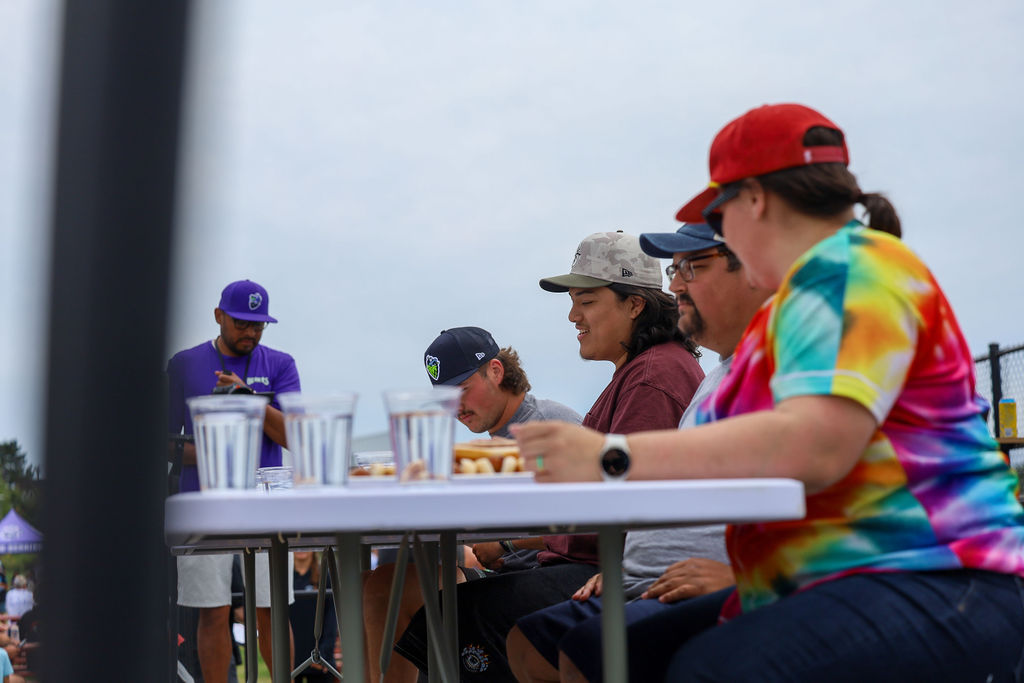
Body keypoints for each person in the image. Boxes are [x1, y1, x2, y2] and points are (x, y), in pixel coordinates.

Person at [512, 103, 1024, 681]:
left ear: (753, 200)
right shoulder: (795, 307)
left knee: (708, 669)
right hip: (842, 575)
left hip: (940, 572)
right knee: (607, 653)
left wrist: (610, 457)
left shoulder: (852, 270)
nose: (719, 235)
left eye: (720, 217)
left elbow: (814, 447)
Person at [393, 231, 705, 681]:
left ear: (634, 304)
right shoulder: (640, 370)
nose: (573, 315)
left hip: (601, 567)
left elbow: (631, 491)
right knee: (438, 608)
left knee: (456, 616)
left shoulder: (652, 375)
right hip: (582, 560)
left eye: (587, 301)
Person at [506, 223, 773, 683]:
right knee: (532, 643)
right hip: (637, 574)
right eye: (674, 269)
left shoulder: (665, 373)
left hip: (682, 580)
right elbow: (688, 477)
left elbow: (804, 483)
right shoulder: (715, 376)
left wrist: (749, 579)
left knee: (571, 647)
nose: (675, 284)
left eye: (693, 267)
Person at [363, 326, 583, 683]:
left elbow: (586, 523)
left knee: (394, 586)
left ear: (496, 371)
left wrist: (506, 542)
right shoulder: (495, 440)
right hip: (507, 572)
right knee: (377, 583)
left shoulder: (547, 428)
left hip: (552, 576)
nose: (456, 408)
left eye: (462, 391)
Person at [167, 279, 299, 683]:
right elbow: (165, 443)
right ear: (219, 316)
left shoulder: (279, 364)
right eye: (242, 323)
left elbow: (295, 437)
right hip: (205, 503)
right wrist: (222, 452)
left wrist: (249, 401)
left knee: (271, 610)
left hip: (267, 502)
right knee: (213, 610)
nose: (251, 333)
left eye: (259, 325)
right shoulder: (185, 364)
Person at [289, 551, 339, 682]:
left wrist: (323, 653)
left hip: (319, 659)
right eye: (296, 545)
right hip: (291, 659)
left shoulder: (325, 576)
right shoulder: (284, 578)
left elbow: (332, 619)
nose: (300, 550)